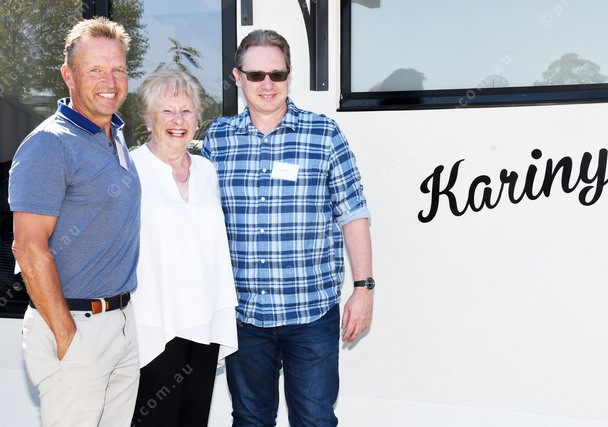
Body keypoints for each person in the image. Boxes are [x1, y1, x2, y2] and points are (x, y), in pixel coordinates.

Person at [202, 29, 375, 426]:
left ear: (289, 75)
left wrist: (363, 289)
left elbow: (353, 213)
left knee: (314, 419)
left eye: (277, 74)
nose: (267, 84)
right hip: (243, 316)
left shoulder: (324, 134)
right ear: (238, 77)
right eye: (256, 74)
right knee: (250, 420)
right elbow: (199, 219)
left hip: (311, 313)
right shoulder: (218, 139)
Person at [9, 17, 140, 426]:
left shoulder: (114, 135)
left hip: (121, 325)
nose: (110, 81)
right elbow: (28, 248)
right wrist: (68, 337)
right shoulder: (50, 144)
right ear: (69, 75)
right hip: (75, 326)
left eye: (118, 69)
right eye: (95, 69)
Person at [130, 69, 238, 427]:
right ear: (149, 119)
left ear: (197, 118)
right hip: (154, 322)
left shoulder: (208, 171)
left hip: (205, 321)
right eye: (167, 111)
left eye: (186, 110)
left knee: (194, 419)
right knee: (154, 419)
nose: (178, 120)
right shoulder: (130, 168)